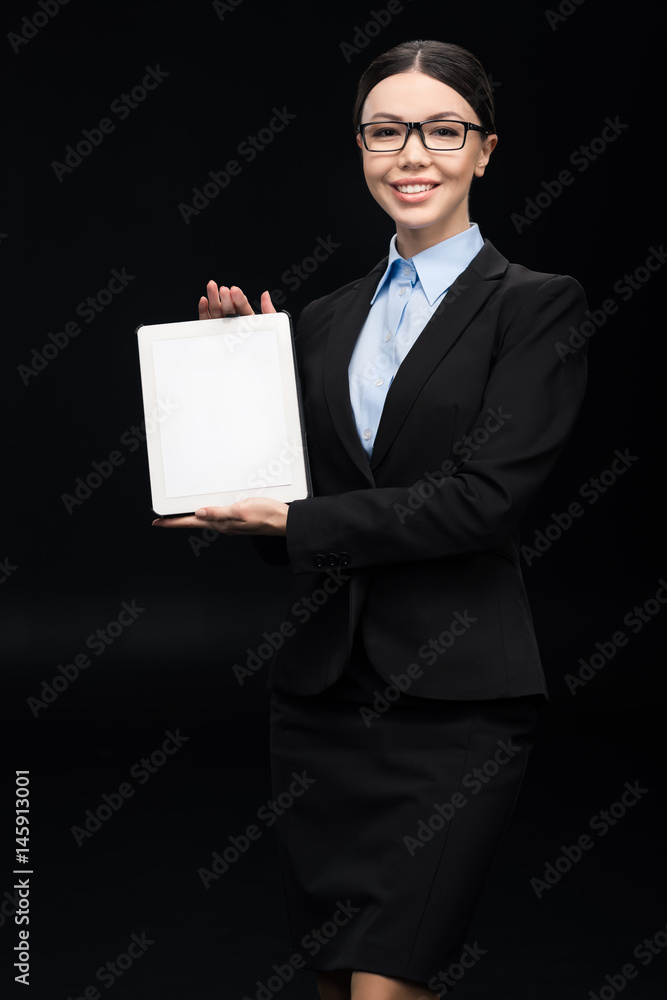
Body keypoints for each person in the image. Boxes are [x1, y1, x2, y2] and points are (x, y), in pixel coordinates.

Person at [153, 39, 588, 1000]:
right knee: (332, 980)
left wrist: (295, 523)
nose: (412, 155)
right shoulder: (321, 321)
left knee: (388, 984)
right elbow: (288, 521)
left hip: (456, 707)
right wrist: (238, 390)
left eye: (443, 131)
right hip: (322, 706)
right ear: (359, 148)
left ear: (485, 151)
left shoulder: (536, 309)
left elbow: (482, 502)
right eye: (386, 131)